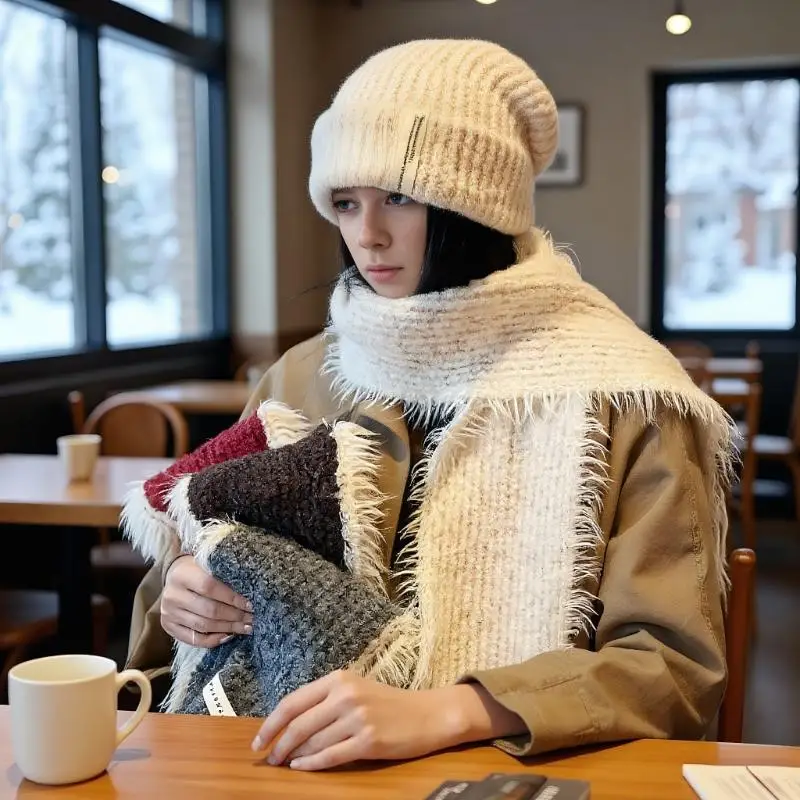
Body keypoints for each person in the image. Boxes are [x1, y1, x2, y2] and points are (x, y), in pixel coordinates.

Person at [124, 39, 733, 772]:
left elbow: (672, 667)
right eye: (345, 203)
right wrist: (189, 595)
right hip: (289, 766)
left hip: (520, 774)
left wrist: (449, 710)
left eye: (401, 197)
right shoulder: (301, 378)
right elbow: (177, 587)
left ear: (476, 203)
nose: (367, 234)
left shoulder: (626, 392)